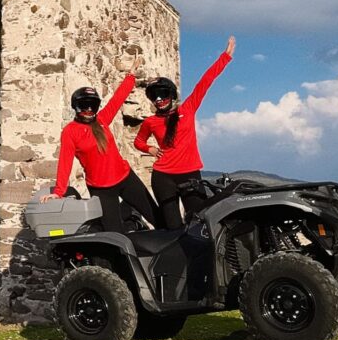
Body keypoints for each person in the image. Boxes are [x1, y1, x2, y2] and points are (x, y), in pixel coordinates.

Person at [41, 57, 158, 232]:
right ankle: (130, 223)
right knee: (115, 235)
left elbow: (117, 100)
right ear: (76, 107)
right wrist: (58, 192)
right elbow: (65, 162)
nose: (89, 110)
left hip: (125, 178)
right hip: (101, 189)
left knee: (156, 217)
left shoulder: (102, 120)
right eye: (84, 105)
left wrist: (131, 75)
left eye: (92, 106)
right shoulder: (70, 131)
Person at [135, 36, 236, 230]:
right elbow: (138, 142)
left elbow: (204, 83)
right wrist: (150, 149)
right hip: (163, 177)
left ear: (171, 95)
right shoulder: (150, 122)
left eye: (163, 94)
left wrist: (225, 57)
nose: (159, 99)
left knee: (199, 222)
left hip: (190, 174)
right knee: (172, 227)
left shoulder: (187, 109)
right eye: (155, 96)